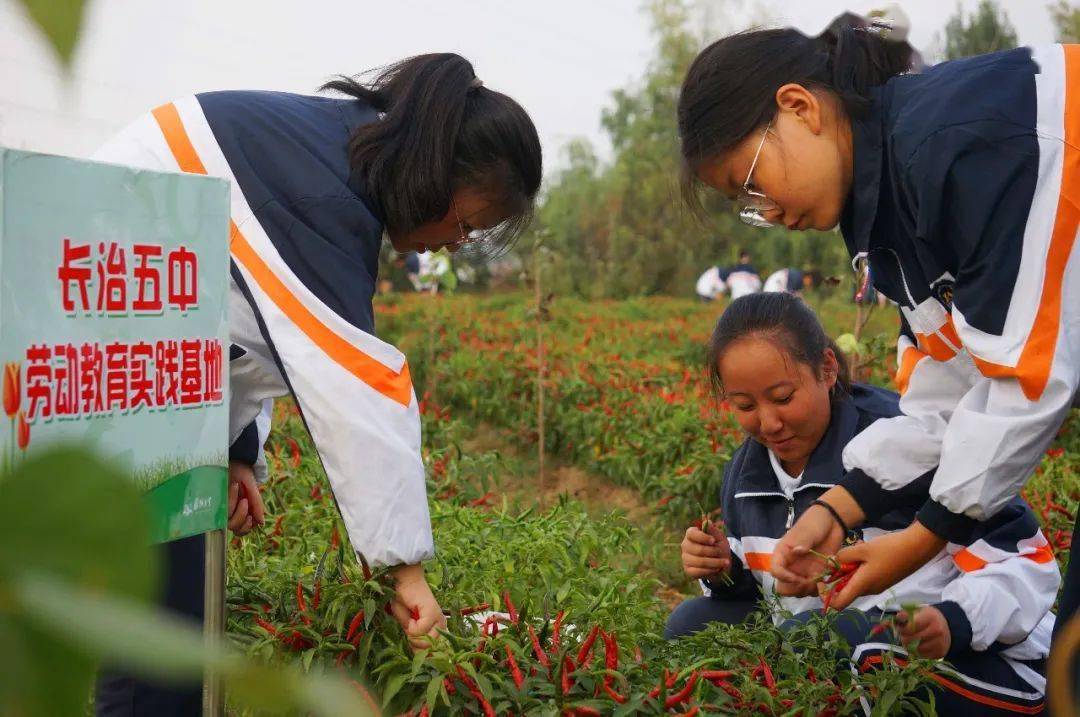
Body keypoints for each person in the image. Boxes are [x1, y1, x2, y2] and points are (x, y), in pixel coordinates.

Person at [91, 53, 541, 715]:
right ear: (440, 174)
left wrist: (236, 447)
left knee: (173, 618)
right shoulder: (321, 190)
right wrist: (406, 572)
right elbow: (349, 376)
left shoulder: (333, 160)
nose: (454, 244)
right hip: (106, 340)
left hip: (148, 359)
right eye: (467, 224)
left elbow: (240, 322)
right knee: (156, 628)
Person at [676, 16, 1080, 631]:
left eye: (753, 183)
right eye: (749, 205)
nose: (768, 210)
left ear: (799, 107)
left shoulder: (955, 145)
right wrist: (837, 510)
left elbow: (1027, 375)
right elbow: (945, 396)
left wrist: (921, 540)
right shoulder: (892, 216)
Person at [667, 293, 1057, 713]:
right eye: (744, 405)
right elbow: (772, 589)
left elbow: (1023, 562)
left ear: (827, 369)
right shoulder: (747, 473)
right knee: (691, 626)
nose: (768, 422)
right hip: (835, 642)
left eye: (782, 397)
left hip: (981, 659)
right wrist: (727, 567)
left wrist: (952, 620)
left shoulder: (909, 444)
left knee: (820, 641)